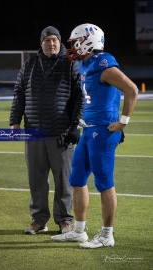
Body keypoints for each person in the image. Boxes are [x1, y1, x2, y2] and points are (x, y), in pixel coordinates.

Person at [51, 23, 139, 248]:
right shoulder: (86, 64)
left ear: (88, 42)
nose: (72, 47)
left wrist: (123, 122)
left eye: (75, 42)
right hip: (89, 129)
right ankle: (79, 231)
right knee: (77, 179)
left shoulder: (104, 65)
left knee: (104, 183)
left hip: (103, 131)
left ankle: (107, 235)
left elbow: (131, 89)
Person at [9, 26, 84, 235]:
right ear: (41, 43)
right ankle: (39, 220)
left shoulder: (70, 64)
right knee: (36, 179)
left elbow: (79, 97)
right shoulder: (29, 64)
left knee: (63, 180)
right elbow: (19, 94)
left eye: (55, 40)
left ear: (60, 42)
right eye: (47, 40)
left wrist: (75, 124)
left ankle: (64, 220)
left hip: (61, 132)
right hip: (33, 132)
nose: (51, 44)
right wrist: (15, 121)